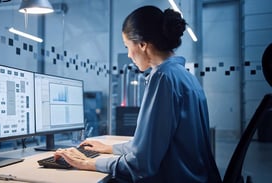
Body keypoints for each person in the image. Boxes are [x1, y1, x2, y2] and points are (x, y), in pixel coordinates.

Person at [54, 5, 221, 183]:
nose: (129, 55)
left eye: (127, 46)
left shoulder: (163, 78)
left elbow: (142, 164)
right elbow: (149, 146)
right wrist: (110, 149)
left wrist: (90, 162)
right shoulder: (185, 76)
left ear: (142, 45)